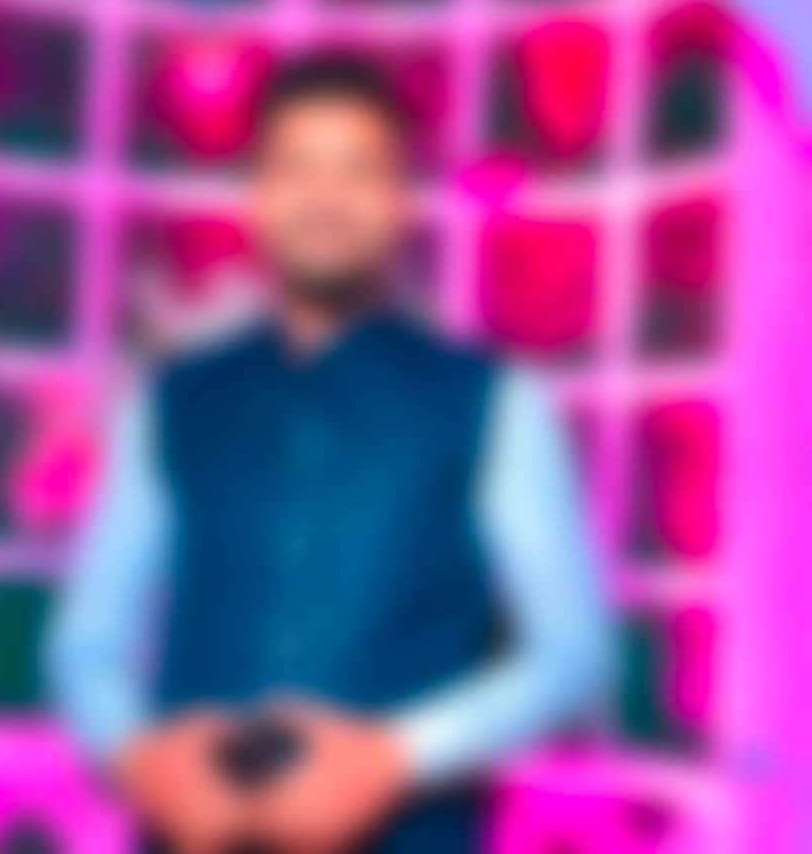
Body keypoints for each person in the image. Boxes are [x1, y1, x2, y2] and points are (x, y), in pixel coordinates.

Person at [47, 53, 613, 852]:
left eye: (358, 169)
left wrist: (393, 757)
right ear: (257, 195)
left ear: (400, 199)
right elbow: (87, 640)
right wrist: (140, 758)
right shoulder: (170, 400)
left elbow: (573, 653)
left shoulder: (499, 403)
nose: (326, 197)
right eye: (298, 168)